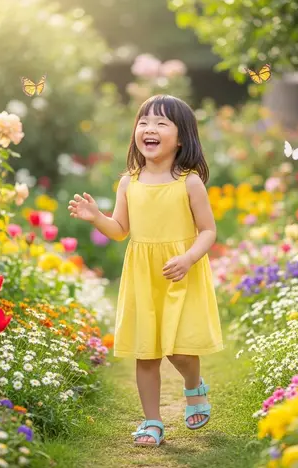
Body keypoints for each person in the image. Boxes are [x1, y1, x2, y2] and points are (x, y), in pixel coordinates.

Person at [67, 94, 224, 447]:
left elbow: (209, 231)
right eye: (143, 122)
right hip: (143, 276)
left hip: (179, 274)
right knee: (147, 352)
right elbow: (121, 229)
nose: (149, 128)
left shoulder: (190, 182)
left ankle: (193, 385)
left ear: (181, 137)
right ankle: (152, 421)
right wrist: (98, 218)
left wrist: (188, 258)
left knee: (179, 350)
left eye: (161, 123)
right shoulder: (129, 182)